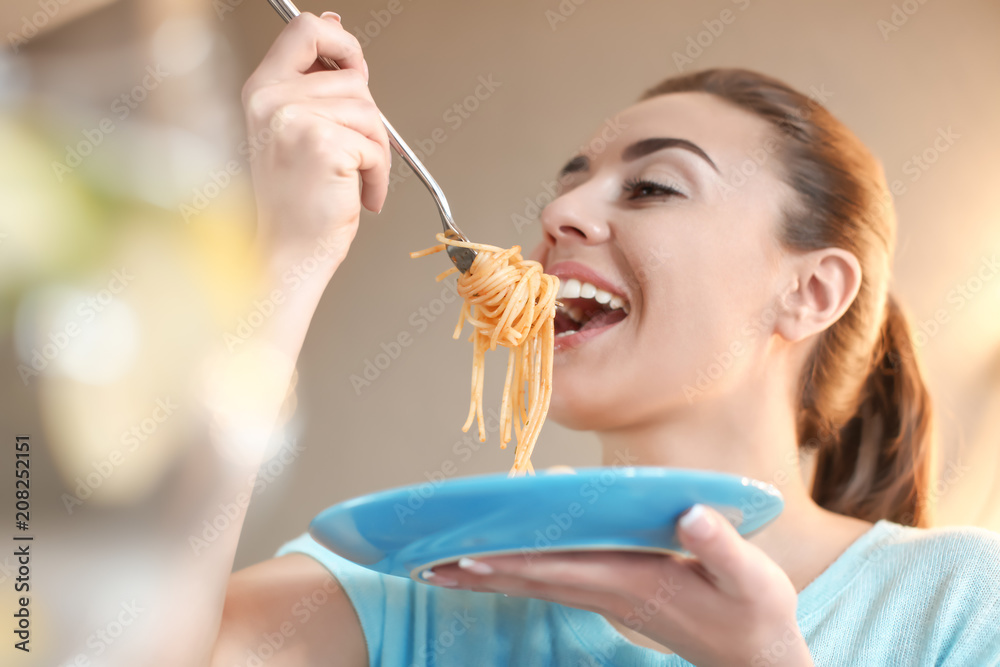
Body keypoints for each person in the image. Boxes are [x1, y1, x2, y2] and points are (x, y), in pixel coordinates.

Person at [210, 11, 1000, 667]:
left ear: (811, 290)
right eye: (570, 185)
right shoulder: (425, 584)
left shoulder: (963, 596)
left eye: (653, 187)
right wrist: (287, 258)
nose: (560, 217)